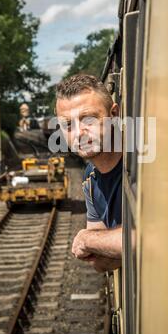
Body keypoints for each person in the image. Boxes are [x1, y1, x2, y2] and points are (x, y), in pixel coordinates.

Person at [55, 74, 122, 272]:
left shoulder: (141, 166)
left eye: (89, 119)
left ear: (114, 116)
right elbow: (99, 263)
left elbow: (154, 239)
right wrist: (112, 243)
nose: (79, 133)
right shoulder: (90, 177)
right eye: (68, 125)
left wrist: (88, 238)